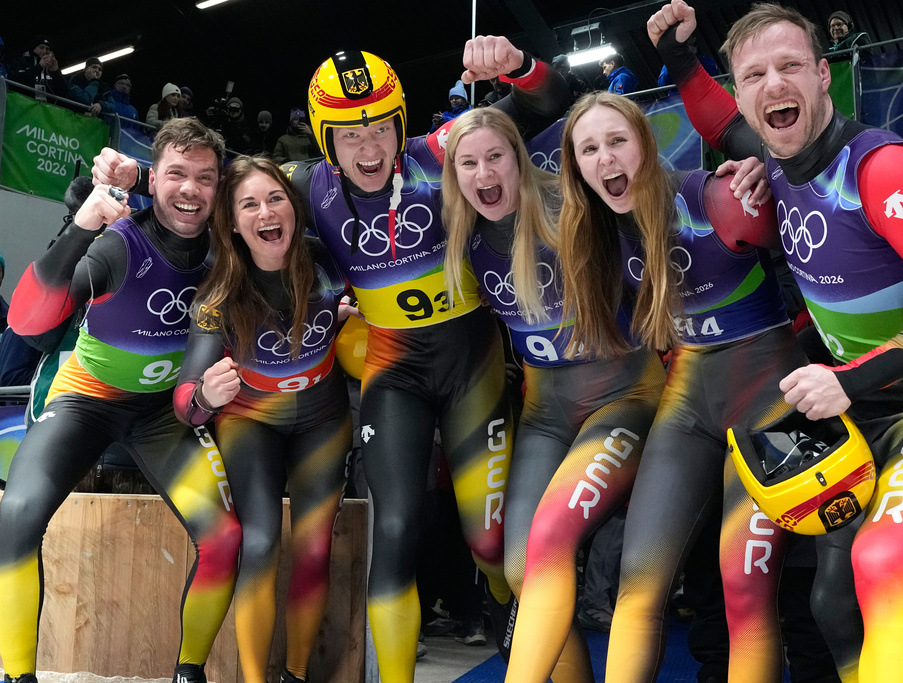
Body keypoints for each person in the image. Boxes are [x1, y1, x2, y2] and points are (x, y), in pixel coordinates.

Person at [650, 1, 903, 680]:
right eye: (754, 74)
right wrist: (678, 54)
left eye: (790, 66)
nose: (773, 85)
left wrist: (847, 379)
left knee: (884, 562)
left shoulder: (882, 169)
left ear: (824, 75)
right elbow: (719, 120)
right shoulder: (774, 158)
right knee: (833, 597)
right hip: (861, 413)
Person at [281, 38, 567, 682]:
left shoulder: (441, 153)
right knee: (398, 530)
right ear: (324, 139)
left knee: (490, 541)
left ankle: (498, 600)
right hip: (394, 370)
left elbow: (549, 103)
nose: (369, 149)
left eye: (381, 129)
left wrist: (515, 66)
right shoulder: (303, 185)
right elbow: (225, 203)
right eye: (349, 135)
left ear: (400, 126)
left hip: (473, 363)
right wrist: (119, 201)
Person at [556, 89, 836, 683]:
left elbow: (824, 238)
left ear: (645, 144)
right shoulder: (596, 234)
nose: (605, 160)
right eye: (588, 149)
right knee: (639, 580)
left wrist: (764, 167)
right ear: (575, 165)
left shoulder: (716, 197)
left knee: (748, 584)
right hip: (687, 401)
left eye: (617, 142)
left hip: (770, 395)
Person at [0, 118, 242, 683]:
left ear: (219, 187)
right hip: (86, 401)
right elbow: (29, 321)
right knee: (16, 514)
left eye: (205, 178)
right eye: (176, 174)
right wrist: (82, 224)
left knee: (224, 535)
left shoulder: (227, 248)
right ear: (152, 181)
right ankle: (16, 675)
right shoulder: (119, 242)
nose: (190, 189)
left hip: (163, 412)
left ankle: (189, 673)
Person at [441, 107, 665, 681]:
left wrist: (522, 68)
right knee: (519, 567)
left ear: (520, 158)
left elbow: (564, 103)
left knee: (548, 545)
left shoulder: (574, 207)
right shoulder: (458, 234)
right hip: (546, 414)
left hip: (624, 397)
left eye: (496, 157)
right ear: (454, 174)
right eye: (469, 162)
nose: (484, 173)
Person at [172, 156, 353, 683]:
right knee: (260, 544)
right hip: (252, 421)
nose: (266, 212)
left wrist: (349, 320)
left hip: (324, 415)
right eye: (249, 204)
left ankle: (295, 676)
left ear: (293, 209)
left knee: (315, 546)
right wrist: (205, 394)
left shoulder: (327, 261)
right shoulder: (219, 293)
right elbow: (184, 403)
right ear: (231, 223)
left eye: (275, 199)